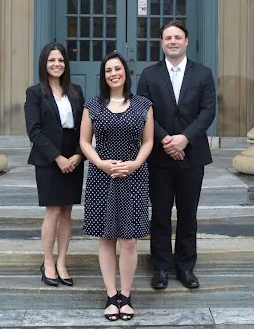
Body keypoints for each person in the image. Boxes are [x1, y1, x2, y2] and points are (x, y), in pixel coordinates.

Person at [136, 19, 216, 290]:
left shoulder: (203, 74)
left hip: (192, 156)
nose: (173, 41)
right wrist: (166, 140)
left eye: (177, 37)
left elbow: (207, 112)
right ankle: (160, 268)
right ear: (162, 43)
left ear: (186, 41)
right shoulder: (149, 75)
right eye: (168, 38)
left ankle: (185, 267)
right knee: (160, 214)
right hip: (159, 157)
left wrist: (184, 139)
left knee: (188, 214)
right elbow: (143, 110)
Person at [79, 52, 154, 321]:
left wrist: (135, 164)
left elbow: (148, 141)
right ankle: (111, 296)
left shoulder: (143, 104)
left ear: (126, 72)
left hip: (134, 176)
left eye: (118, 68)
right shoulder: (93, 105)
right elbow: (84, 141)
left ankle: (126, 295)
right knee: (106, 236)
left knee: (130, 239)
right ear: (103, 75)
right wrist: (100, 163)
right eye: (108, 70)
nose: (114, 73)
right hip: (103, 177)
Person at [24, 42, 85, 287]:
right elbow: (34, 131)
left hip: (74, 157)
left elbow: (85, 126)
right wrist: (57, 157)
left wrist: (79, 154)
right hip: (48, 158)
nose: (56, 64)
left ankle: (62, 262)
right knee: (53, 211)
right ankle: (48, 262)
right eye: (51, 60)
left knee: (67, 211)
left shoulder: (76, 91)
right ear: (44, 64)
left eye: (60, 60)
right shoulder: (34, 93)